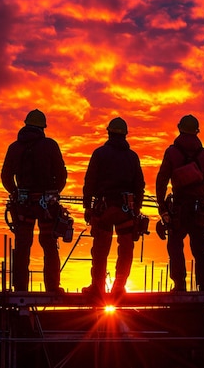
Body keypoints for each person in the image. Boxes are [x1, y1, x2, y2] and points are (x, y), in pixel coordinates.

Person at [1, 109, 67, 293]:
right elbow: (61, 175)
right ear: (42, 127)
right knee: (49, 243)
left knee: (22, 246)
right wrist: (53, 193)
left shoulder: (14, 148)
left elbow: (6, 176)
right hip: (46, 205)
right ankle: (52, 287)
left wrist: (15, 192)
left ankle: (20, 287)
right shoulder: (50, 146)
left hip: (23, 206)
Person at [155, 114, 204, 292]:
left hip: (178, 209)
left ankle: (179, 285)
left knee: (175, 246)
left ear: (180, 129)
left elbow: (161, 180)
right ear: (196, 132)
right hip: (199, 210)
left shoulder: (172, 153)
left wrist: (161, 206)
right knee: (201, 249)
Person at [82, 117, 145, 300]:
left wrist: (87, 206)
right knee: (125, 249)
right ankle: (119, 287)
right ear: (125, 135)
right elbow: (139, 185)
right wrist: (136, 209)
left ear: (108, 132)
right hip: (126, 210)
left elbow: (90, 181)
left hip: (104, 209)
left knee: (100, 250)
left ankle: (97, 287)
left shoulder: (100, 154)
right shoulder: (132, 157)